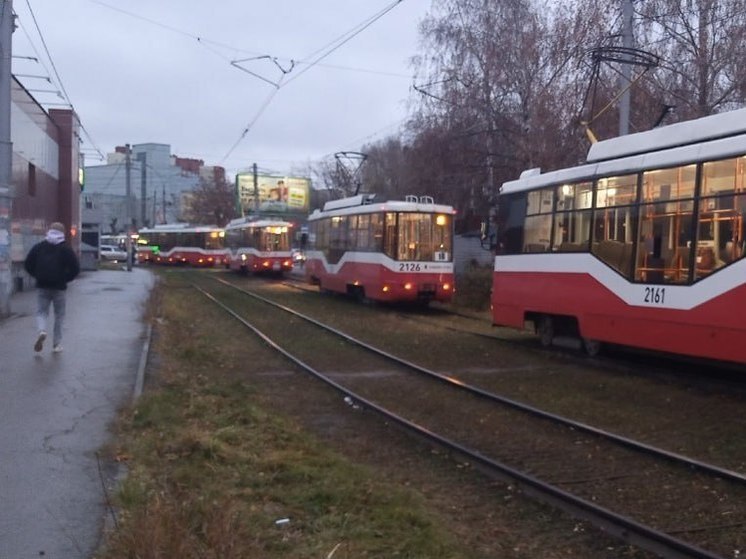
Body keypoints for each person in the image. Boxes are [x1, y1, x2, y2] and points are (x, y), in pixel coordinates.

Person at [23, 222, 80, 353]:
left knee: (41, 312)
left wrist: (37, 275)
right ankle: (56, 344)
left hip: (42, 286)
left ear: (49, 231)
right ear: (63, 233)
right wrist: (66, 279)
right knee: (59, 315)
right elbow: (75, 268)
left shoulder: (39, 247)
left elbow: (27, 264)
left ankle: (42, 330)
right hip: (59, 287)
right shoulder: (65, 249)